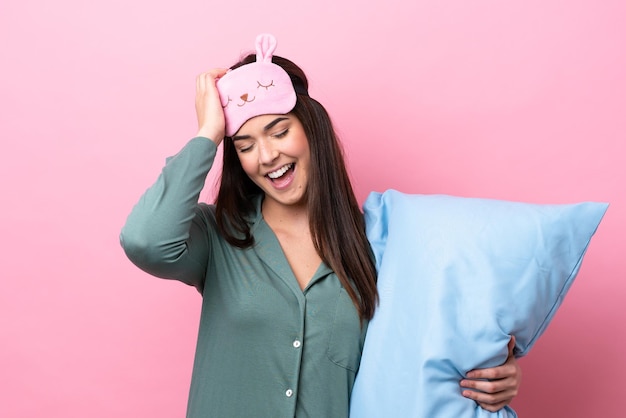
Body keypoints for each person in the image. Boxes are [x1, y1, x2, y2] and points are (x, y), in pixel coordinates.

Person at [120, 34, 521, 417]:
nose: (267, 155)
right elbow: (145, 241)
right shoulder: (219, 235)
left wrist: (493, 373)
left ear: (311, 129)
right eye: (245, 146)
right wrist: (208, 134)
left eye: (279, 131)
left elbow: (427, 348)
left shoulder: (377, 247)